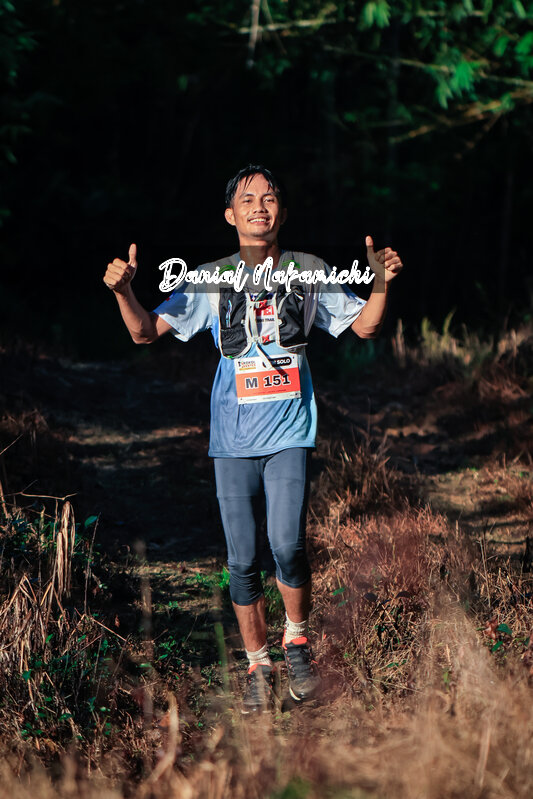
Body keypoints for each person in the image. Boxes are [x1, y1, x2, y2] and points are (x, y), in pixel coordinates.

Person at [103, 165, 403, 713]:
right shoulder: (210, 279)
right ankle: (257, 666)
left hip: (290, 431)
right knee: (242, 559)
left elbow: (365, 326)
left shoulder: (308, 271)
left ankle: (297, 643)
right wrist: (124, 292)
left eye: (269, 198)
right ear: (230, 215)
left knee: (287, 545)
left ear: (282, 213)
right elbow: (144, 332)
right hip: (232, 440)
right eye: (248, 199)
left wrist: (380, 281)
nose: (259, 207)